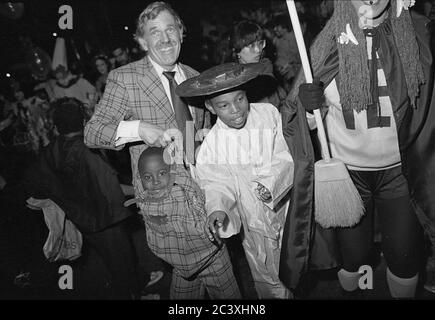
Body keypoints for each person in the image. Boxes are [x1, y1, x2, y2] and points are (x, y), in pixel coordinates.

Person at [287, 0, 435, 298]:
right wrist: (308, 109)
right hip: (347, 176)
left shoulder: (417, 34)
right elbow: (301, 124)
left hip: (400, 171)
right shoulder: (326, 45)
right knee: (353, 259)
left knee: (405, 259)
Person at [176, 62, 294, 299]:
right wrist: (218, 208)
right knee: (266, 271)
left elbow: (284, 153)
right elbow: (216, 183)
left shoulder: (267, 114)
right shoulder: (212, 146)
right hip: (252, 219)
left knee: (293, 263)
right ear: (210, 107)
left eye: (240, 99)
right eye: (224, 105)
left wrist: (270, 184)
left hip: (285, 206)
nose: (236, 110)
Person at [84, 1, 210, 196]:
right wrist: (138, 129)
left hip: (205, 188)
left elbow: (200, 130)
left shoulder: (195, 77)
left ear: (181, 33)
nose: (165, 39)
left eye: (170, 29)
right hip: (163, 200)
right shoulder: (125, 78)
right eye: (155, 32)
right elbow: (92, 133)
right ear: (143, 42)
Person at [23, 98, 139, 299]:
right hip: (104, 220)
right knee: (124, 265)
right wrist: (141, 189)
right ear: (84, 121)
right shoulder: (87, 151)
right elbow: (112, 190)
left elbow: (37, 183)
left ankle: (137, 284)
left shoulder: (53, 148)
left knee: (111, 262)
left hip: (81, 219)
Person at [125, 147, 241, 299]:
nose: (155, 181)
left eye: (161, 173)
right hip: (182, 268)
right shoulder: (146, 199)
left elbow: (191, 188)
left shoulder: (184, 191)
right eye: (147, 177)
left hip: (213, 259)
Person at [230, 20, 287, 110]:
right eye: (251, 46)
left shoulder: (266, 67)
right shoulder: (232, 80)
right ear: (237, 51)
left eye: (260, 43)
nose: (258, 50)